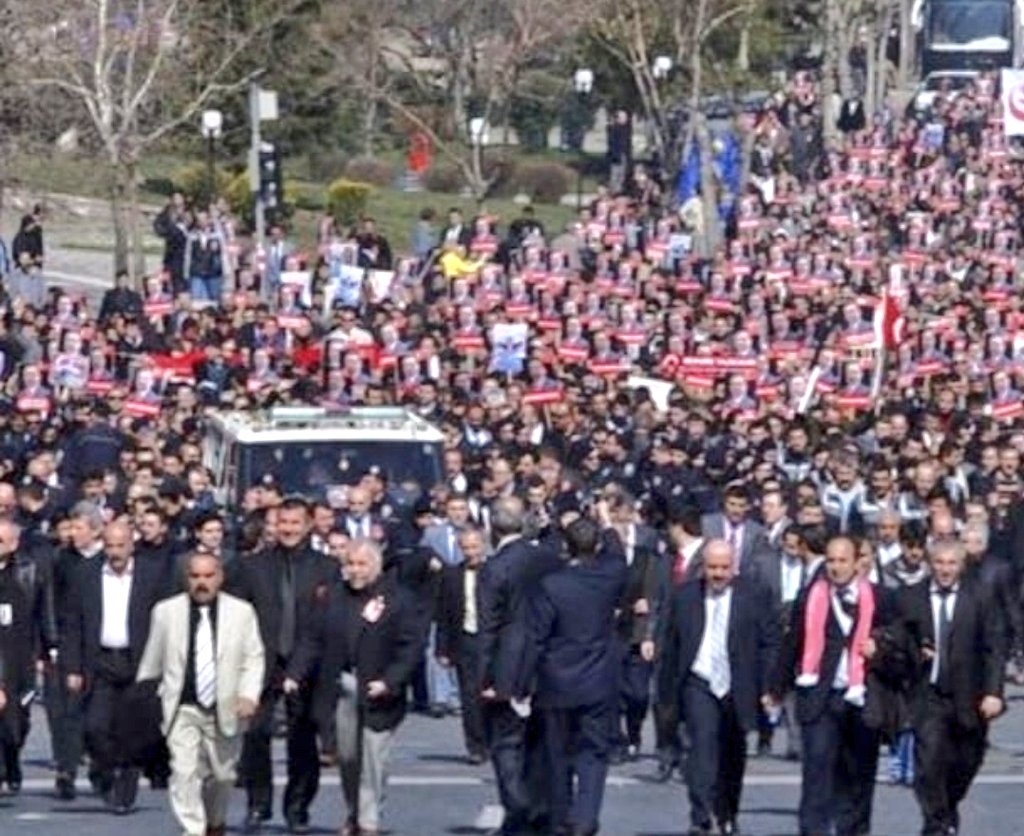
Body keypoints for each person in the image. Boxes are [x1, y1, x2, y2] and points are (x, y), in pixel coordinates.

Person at [284, 538, 421, 836]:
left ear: (376, 565)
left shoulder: (399, 598)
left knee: (373, 757)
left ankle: (369, 821)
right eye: (349, 564)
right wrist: (295, 673)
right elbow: (312, 638)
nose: (355, 571)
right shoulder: (332, 596)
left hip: (378, 689)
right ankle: (354, 811)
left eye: (362, 564)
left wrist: (390, 680)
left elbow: (410, 647)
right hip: (341, 685)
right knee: (348, 757)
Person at [137, 551, 265, 836]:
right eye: (195, 576)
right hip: (182, 707)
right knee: (183, 773)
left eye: (208, 576)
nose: (202, 583)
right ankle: (193, 829)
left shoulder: (241, 612)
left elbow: (253, 657)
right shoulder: (166, 612)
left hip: (226, 707)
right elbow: (152, 661)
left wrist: (248, 695)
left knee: (223, 775)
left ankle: (215, 820)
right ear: (186, 579)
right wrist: (144, 703)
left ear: (220, 578)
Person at [228, 495, 335, 834]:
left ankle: (298, 807)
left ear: (308, 526)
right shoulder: (251, 566)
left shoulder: (326, 568)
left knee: (302, 740)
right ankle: (258, 805)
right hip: (262, 663)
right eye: (282, 523)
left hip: (308, 665)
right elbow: (236, 615)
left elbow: (328, 621)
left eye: (294, 523)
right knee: (256, 735)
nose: (287, 530)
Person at [659, 539, 780, 835]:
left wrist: (768, 686)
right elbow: (671, 646)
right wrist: (667, 692)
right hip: (699, 681)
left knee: (732, 753)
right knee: (702, 748)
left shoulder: (754, 595)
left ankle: (727, 813)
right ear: (703, 567)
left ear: (734, 567)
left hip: (738, 684)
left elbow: (768, 644)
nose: (718, 574)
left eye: (724, 568)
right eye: (712, 567)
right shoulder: (685, 597)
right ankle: (700, 815)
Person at [522, 517, 627, 836]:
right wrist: (608, 525)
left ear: (566, 548)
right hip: (597, 678)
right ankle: (585, 818)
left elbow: (537, 636)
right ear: (596, 546)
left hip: (557, 679)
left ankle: (560, 817)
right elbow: (618, 555)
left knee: (558, 756)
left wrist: (523, 681)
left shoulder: (552, 584)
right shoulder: (610, 577)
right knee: (594, 754)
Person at [772, 535, 882, 836]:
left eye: (842, 560)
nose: (835, 567)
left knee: (857, 774)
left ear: (857, 562)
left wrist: (880, 648)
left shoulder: (879, 597)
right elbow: (792, 641)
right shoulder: (812, 596)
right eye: (830, 560)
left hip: (861, 698)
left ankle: (853, 830)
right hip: (820, 695)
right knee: (817, 769)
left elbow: (900, 641)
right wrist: (776, 688)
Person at [898, 538, 1005, 836]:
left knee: (967, 760)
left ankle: (947, 807)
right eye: (940, 563)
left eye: (952, 563)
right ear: (930, 564)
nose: (945, 570)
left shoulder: (980, 596)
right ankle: (936, 824)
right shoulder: (910, 597)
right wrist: (912, 652)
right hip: (928, 694)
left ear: (962, 565)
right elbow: (896, 641)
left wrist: (994, 692)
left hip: (969, 694)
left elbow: (994, 647)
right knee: (928, 763)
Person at [62, 519, 167, 813]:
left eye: (121, 545)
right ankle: (105, 769)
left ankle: (125, 787)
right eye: (109, 545)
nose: (115, 552)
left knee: (134, 730)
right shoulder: (86, 574)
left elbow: (166, 618)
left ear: (132, 545)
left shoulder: (152, 574)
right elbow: (73, 624)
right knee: (95, 726)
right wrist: (72, 667)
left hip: (139, 660)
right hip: (101, 660)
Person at [478, 496, 549, 836]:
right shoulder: (548, 559)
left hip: (506, 664)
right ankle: (538, 807)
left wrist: (485, 677)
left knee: (506, 743)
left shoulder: (494, 567)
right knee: (538, 742)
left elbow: (488, 627)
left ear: (492, 526)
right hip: (544, 660)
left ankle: (518, 808)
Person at [0, 517, 56, 793]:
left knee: (17, 719)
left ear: (13, 544)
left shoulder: (28, 571)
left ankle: (12, 757)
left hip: (20, 655)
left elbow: (42, 613)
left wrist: (48, 647)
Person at [436, 526, 489, 763]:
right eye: (465, 548)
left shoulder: (494, 572)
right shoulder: (451, 575)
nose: (470, 553)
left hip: (491, 640)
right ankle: (476, 746)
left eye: (474, 547)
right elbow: (444, 614)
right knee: (470, 696)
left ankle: (496, 741)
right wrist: (442, 648)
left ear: (484, 545)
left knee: (491, 693)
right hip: (465, 639)